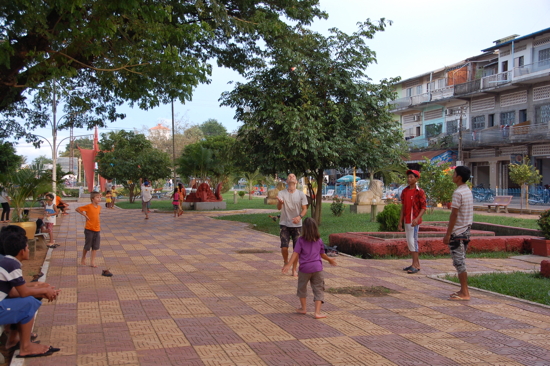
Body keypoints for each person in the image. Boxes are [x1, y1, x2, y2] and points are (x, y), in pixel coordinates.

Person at [0, 231, 60, 358]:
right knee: (29, 302)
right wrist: (44, 291)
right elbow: (23, 292)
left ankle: (16, 340)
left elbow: (13, 291)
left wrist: (40, 288)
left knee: (31, 298)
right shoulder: (12, 264)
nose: (28, 250)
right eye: (27, 248)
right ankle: (26, 347)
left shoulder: (6, 262)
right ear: (22, 251)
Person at [282, 218, 337, 319]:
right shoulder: (319, 240)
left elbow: (296, 253)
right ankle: (317, 312)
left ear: (304, 229)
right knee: (318, 289)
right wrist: (329, 260)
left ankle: (303, 308)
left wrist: (288, 265)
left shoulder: (301, 240)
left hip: (304, 269)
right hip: (317, 268)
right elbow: (322, 254)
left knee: (302, 288)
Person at [443, 166, 474, 301]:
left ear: (459, 177)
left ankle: (465, 292)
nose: (452, 176)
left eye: (454, 174)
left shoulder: (458, 193)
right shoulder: (467, 191)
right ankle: (463, 289)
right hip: (466, 230)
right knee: (460, 261)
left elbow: (454, 214)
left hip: (458, 232)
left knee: (459, 262)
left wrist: (448, 234)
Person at [277, 174, 308, 276]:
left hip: (297, 225)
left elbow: (304, 209)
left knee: (296, 249)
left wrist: (299, 217)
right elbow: (278, 208)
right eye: (289, 176)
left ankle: (294, 269)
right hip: (284, 223)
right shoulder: (281, 193)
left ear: (296, 181)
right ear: (286, 181)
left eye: (293, 176)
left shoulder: (301, 194)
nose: (291, 177)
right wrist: (280, 203)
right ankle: (286, 261)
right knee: (284, 247)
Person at [397, 169, 427, 274]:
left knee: (413, 241)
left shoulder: (419, 192)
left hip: (414, 220)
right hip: (407, 219)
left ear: (416, 178)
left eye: (411, 177)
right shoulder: (405, 191)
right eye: (408, 177)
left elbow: (423, 207)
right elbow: (403, 206)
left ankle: (416, 264)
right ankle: (415, 263)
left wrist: (417, 218)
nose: (409, 179)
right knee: (410, 241)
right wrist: (400, 221)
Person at [76, 192, 102, 268]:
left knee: (95, 247)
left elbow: (97, 216)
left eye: (100, 197)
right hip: (89, 229)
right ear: (92, 199)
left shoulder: (99, 207)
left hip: (97, 229)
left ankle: (92, 262)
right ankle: (83, 257)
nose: (99, 199)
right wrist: (85, 215)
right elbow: (77, 209)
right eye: (97, 197)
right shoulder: (88, 206)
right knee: (87, 246)